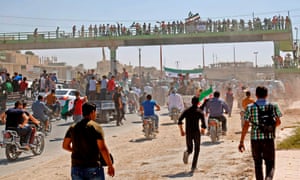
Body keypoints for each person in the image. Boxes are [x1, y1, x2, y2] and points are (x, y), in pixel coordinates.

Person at [238, 86, 282, 180]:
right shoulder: (273, 106)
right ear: (267, 95)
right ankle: (268, 178)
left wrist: (241, 141)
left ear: (256, 95)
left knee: (257, 164)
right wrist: (269, 128)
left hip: (255, 139)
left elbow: (246, 126)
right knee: (270, 163)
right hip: (269, 139)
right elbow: (278, 122)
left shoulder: (249, 108)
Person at [62, 102, 115, 179]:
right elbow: (102, 148)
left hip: (76, 168)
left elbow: (65, 146)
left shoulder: (73, 128)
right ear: (93, 112)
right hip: (93, 167)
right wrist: (110, 165)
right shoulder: (96, 127)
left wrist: (77, 150)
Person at [178, 96, 206, 171]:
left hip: (188, 132)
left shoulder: (186, 111)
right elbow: (203, 124)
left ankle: (187, 152)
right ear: (198, 103)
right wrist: (203, 130)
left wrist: (182, 131)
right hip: (196, 132)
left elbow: (179, 120)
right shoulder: (199, 111)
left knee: (190, 148)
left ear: (191, 102)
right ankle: (193, 167)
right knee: (197, 149)